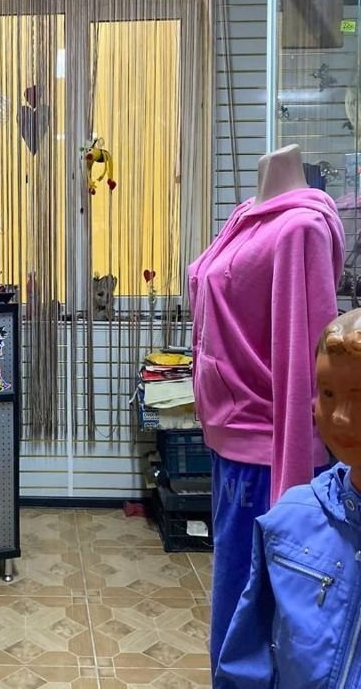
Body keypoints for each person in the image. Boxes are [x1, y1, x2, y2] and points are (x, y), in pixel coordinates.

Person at [188, 143, 345, 676]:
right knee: (237, 604)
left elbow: (306, 362)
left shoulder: (301, 229)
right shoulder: (246, 216)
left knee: (250, 616)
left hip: (264, 454)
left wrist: (293, 492)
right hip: (230, 446)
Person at [216, 309, 361, 688]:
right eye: (327, 394)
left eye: (360, 397)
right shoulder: (288, 521)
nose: (340, 417)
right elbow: (249, 659)